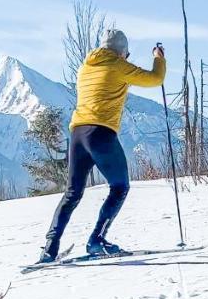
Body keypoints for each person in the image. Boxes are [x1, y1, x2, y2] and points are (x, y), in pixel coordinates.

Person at [37, 30, 167, 264]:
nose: (126, 57)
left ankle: (49, 248)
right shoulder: (118, 66)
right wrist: (158, 58)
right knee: (120, 186)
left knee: (72, 193)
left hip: (77, 134)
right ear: (120, 51)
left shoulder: (85, 67)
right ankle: (96, 240)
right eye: (126, 53)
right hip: (101, 133)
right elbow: (155, 79)